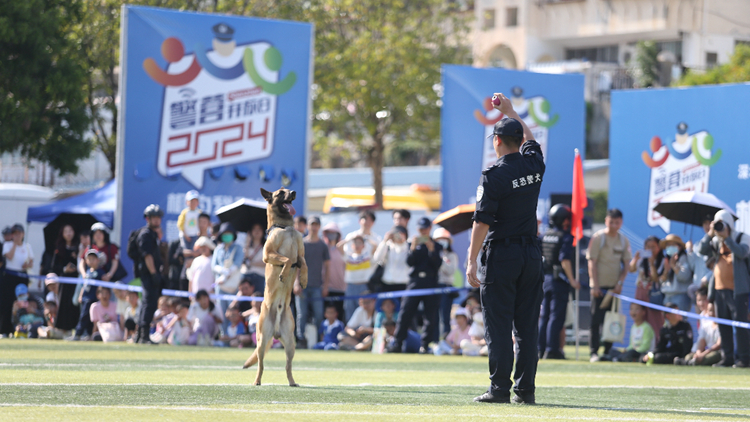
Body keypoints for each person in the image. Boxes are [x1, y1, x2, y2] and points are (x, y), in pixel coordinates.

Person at [465, 93, 545, 404]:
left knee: (498, 326)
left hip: (502, 255)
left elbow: (481, 222)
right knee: (526, 328)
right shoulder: (535, 165)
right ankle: (525, 392)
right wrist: (511, 112)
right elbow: (531, 138)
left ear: (497, 141)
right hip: (530, 255)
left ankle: (499, 389)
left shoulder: (494, 176)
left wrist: (471, 260)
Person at [699, 209, 750, 368]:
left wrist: (727, 239)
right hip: (719, 290)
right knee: (723, 325)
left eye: (722, 224)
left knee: (740, 325)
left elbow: (742, 253)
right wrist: (710, 234)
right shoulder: (715, 241)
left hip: (738, 291)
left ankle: (745, 359)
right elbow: (701, 250)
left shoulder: (742, 237)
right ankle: (727, 358)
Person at [388, 217, 442, 354]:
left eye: (425, 228)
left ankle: (425, 345)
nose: (422, 231)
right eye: (420, 229)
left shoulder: (437, 245)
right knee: (405, 313)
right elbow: (409, 262)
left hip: (430, 282)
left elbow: (437, 265)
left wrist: (431, 250)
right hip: (415, 282)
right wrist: (412, 248)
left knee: (430, 316)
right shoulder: (412, 243)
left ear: (430, 228)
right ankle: (398, 343)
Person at [587, 208, 632, 363]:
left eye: (617, 222)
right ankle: (593, 352)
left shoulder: (623, 240)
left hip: (614, 289)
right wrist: (595, 285)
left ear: (621, 223)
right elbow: (591, 262)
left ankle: (607, 351)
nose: (614, 225)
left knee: (611, 320)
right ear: (606, 221)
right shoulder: (598, 238)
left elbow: (626, 264)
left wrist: (620, 283)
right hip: (599, 288)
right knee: (595, 321)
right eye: (611, 221)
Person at [538, 204, 580, 360]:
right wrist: (572, 280)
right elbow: (565, 260)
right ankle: (552, 349)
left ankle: (540, 348)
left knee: (544, 316)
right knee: (556, 317)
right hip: (559, 280)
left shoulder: (543, 236)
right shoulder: (566, 237)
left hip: (544, 279)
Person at [294, 216, 330, 348]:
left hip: (317, 286)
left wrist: (326, 286)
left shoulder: (323, 246)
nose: (314, 227)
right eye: (311, 225)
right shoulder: (301, 244)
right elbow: (297, 266)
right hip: (303, 285)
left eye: (316, 225)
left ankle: (319, 339)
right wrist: (296, 283)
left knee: (319, 314)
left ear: (319, 227)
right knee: (301, 315)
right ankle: (300, 339)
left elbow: (327, 268)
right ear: (307, 226)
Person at [135, 204, 165, 344]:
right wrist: (154, 274)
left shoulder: (153, 234)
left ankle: (139, 336)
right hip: (148, 274)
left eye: (158, 217)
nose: (157, 220)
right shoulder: (146, 234)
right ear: (148, 219)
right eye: (154, 217)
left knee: (148, 303)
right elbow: (147, 256)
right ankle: (144, 336)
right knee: (149, 303)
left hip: (150, 273)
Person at [628, 236, 665, 342]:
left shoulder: (662, 260)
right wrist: (635, 259)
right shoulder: (642, 260)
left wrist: (652, 263)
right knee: (640, 319)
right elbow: (631, 269)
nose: (650, 250)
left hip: (653, 295)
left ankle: (657, 343)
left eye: (653, 247)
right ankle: (639, 343)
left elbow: (655, 278)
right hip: (640, 293)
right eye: (648, 247)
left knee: (655, 319)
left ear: (659, 247)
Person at [1, 224, 34, 337]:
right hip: (10, 276)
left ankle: (21, 329)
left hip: (22, 276)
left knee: (22, 302)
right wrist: (15, 244)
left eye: (19, 233)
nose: (17, 236)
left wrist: (27, 265)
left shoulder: (27, 246)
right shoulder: (7, 245)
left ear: (23, 234)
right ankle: (5, 330)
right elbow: (9, 257)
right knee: (7, 303)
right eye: (15, 234)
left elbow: (31, 262)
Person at [675, 287, 721, 366]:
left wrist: (702, 354)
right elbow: (701, 340)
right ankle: (690, 361)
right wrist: (698, 352)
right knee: (689, 357)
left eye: (704, 300)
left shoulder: (720, 318)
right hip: (705, 350)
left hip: (715, 352)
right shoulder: (702, 317)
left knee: (713, 356)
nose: (701, 303)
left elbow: (719, 344)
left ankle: (691, 362)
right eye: (699, 300)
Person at [211, 222, 243, 334]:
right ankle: (223, 336)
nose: (227, 235)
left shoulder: (238, 248)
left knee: (232, 313)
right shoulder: (218, 249)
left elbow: (237, 264)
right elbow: (213, 265)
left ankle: (232, 336)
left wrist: (227, 273)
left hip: (232, 286)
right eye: (225, 233)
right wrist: (222, 270)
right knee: (221, 312)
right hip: (220, 286)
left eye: (229, 233)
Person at [338, 234, 377, 321]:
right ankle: (350, 329)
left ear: (363, 246)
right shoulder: (348, 256)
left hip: (364, 286)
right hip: (351, 286)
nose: (357, 245)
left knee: (364, 309)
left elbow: (375, 246)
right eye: (355, 243)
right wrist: (350, 239)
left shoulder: (367, 256)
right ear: (352, 245)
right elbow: (339, 246)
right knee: (349, 309)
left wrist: (366, 239)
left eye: (360, 243)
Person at [49, 224, 80, 332]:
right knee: (64, 303)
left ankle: (75, 327)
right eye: (66, 231)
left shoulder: (78, 247)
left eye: (70, 230)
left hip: (76, 280)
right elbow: (54, 266)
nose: (68, 233)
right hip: (64, 280)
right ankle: (63, 328)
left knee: (75, 303)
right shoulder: (59, 248)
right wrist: (64, 269)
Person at [70, 250, 105, 341]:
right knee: (84, 316)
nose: (91, 261)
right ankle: (81, 334)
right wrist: (81, 295)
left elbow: (102, 286)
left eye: (93, 259)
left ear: (98, 260)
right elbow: (84, 286)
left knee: (88, 318)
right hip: (86, 298)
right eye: (89, 259)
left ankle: (80, 334)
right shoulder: (88, 272)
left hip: (93, 299)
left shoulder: (100, 273)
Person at [433, 227, 459, 339]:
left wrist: (441, 260)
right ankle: (434, 340)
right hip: (433, 287)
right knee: (433, 316)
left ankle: (446, 340)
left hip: (446, 287)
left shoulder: (452, 255)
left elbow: (450, 271)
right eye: (439, 239)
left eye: (444, 239)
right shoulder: (431, 254)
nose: (442, 242)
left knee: (445, 316)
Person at [658, 234, 693, 312]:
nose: (669, 247)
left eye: (672, 244)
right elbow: (661, 280)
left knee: (679, 321)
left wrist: (674, 266)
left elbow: (684, 277)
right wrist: (666, 271)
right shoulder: (666, 259)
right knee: (667, 323)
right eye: (668, 245)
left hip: (680, 296)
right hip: (667, 296)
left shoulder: (684, 258)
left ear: (679, 247)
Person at [322, 223, 346, 321]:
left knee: (339, 314)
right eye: (329, 233)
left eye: (334, 233)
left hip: (340, 287)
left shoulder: (342, 249)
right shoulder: (323, 248)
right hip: (326, 288)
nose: (331, 235)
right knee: (326, 315)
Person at [685, 215, 713, 301]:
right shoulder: (697, 245)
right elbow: (693, 265)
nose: (707, 226)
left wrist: (707, 278)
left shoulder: (717, 244)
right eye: (705, 223)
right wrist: (689, 251)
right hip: (698, 287)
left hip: (711, 285)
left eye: (709, 223)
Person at [241, 222, 266, 293]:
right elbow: (243, 260)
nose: (257, 232)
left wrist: (251, 263)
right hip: (246, 276)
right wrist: (247, 243)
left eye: (259, 229)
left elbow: (267, 262)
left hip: (260, 276)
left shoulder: (266, 246)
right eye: (254, 229)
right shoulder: (246, 245)